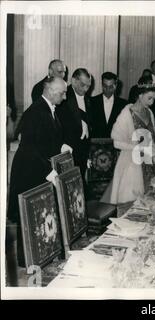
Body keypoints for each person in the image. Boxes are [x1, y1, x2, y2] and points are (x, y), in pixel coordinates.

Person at [7, 77, 71, 266]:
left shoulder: (49, 108)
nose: (65, 97)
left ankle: (41, 256)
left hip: (38, 167)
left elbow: (46, 139)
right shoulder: (35, 111)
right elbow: (29, 148)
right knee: (28, 215)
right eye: (62, 93)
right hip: (29, 170)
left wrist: (61, 146)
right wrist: (48, 171)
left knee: (40, 215)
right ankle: (28, 261)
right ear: (50, 91)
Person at [101, 77, 155, 205]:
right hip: (131, 165)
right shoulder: (126, 114)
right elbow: (116, 141)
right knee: (133, 206)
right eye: (149, 98)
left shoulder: (150, 113)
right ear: (140, 95)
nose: (151, 102)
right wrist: (137, 148)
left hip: (149, 164)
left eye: (154, 99)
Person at [56, 68, 92, 181]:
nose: (86, 89)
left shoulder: (88, 100)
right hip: (67, 151)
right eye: (83, 85)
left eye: (88, 86)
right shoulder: (63, 97)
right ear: (74, 80)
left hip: (83, 152)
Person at [90, 72, 128, 138]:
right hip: (97, 144)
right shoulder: (92, 102)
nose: (107, 90)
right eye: (105, 86)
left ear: (115, 86)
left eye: (110, 87)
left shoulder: (124, 104)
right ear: (102, 85)